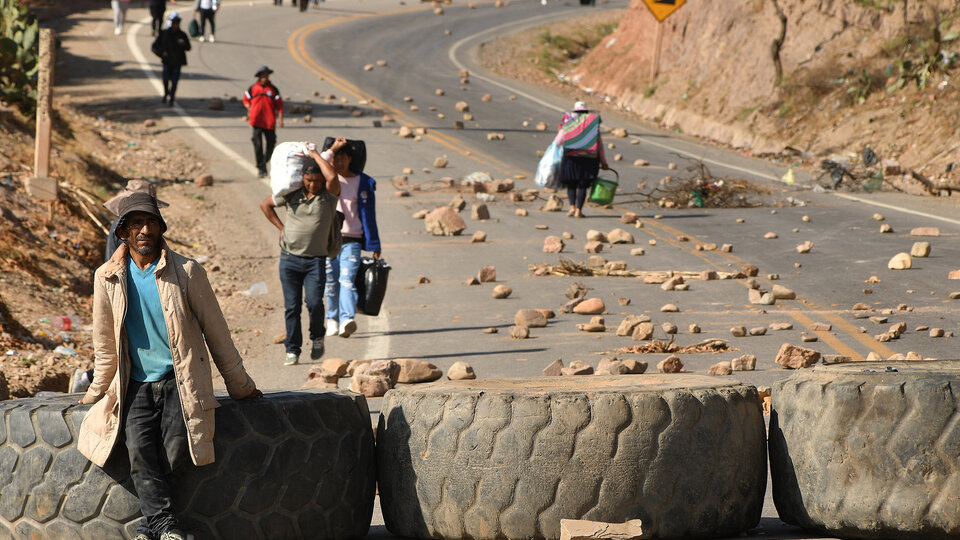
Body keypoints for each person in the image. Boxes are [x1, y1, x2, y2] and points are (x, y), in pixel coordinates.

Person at [78, 192, 262, 540]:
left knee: (177, 451)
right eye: (136, 224)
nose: (144, 230)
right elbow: (104, 344)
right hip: (134, 383)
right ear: (123, 233)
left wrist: (240, 385)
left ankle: (153, 527)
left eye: (151, 223)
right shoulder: (107, 277)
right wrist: (94, 393)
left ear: (161, 229)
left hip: (180, 381)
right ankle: (165, 526)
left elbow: (217, 333)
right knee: (139, 451)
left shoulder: (188, 272)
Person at [259, 139, 345, 365]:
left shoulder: (328, 196)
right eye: (309, 180)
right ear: (302, 179)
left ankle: (317, 337)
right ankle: (293, 349)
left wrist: (314, 153)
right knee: (292, 306)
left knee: (315, 303)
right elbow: (265, 205)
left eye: (316, 180)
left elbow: (333, 178)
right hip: (289, 259)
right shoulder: (292, 194)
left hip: (315, 261)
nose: (313, 185)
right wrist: (280, 228)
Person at [319, 143, 381, 339]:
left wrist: (374, 244)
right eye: (335, 158)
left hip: (351, 239)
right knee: (330, 281)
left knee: (346, 280)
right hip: (329, 239)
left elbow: (369, 216)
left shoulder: (363, 182)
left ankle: (347, 319)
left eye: (342, 158)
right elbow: (316, 163)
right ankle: (332, 320)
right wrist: (332, 148)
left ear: (350, 159)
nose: (338, 162)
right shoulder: (325, 179)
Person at [556, 100, 608, 218]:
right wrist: (604, 162)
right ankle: (579, 210)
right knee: (582, 185)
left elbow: (558, 142)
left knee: (572, 184)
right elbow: (599, 146)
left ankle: (571, 208)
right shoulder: (592, 125)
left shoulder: (569, 123)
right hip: (589, 159)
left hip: (571, 159)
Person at [103, 179, 169, 262]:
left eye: (152, 221)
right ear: (122, 233)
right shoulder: (122, 225)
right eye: (137, 223)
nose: (146, 230)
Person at [243, 66, 284, 178]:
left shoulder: (273, 90)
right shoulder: (253, 88)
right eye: (263, 76)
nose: (265, 78)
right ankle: (261, 168)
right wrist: (249, 109)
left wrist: (280, 119)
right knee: (258, 145)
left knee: (271, 143)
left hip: (269, 122)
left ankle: (265, 161)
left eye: (266, 75)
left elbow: (279, 105)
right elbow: (246, 100)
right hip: (256, 120)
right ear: (259, 77)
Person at [151, 12, 191, 107]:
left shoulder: (182, 35)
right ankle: (166, 93)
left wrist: (183, 44)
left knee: (174, 82)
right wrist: (162, 53)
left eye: (177, 23)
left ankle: (172, 98)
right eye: (174, 23)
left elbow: (188, 47)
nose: (175, 25)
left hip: (177, 62)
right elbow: (154, 47)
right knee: (165, 80)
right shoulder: (164, 33)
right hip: (167, 61)